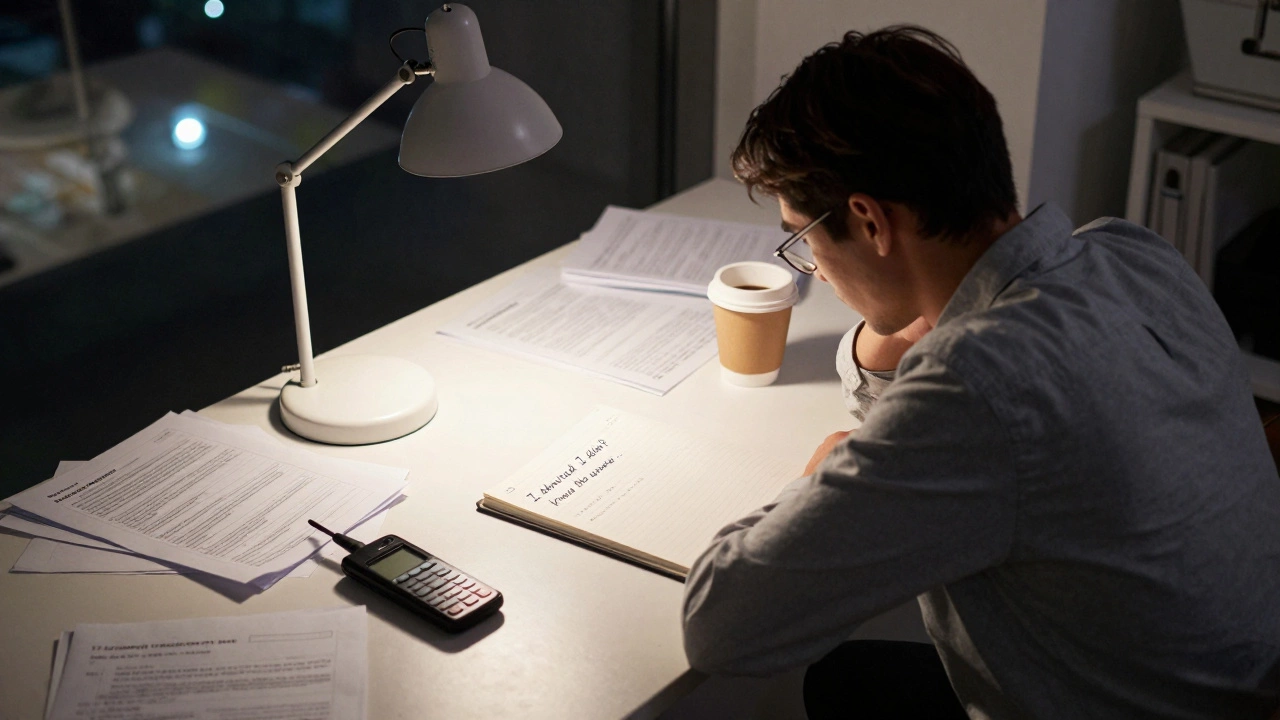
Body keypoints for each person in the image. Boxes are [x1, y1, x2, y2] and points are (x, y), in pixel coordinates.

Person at [680, 25, 1280, 720]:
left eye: (803, 239)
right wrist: (901, 329)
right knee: (853, 677)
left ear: (870, 222)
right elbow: (947, 417)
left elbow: (719, 625)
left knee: (830, 677)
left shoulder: (979, 385)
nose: (811, 266)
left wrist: (819, 477)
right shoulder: (1129, 253)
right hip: (1239, 680)